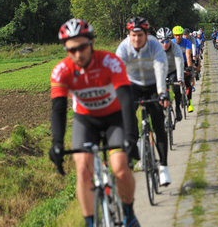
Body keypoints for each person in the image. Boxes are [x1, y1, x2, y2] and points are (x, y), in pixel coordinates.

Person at [49, 18, 140, 227]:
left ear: (91, 43)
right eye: (71, 50)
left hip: (113, 118)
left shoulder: (109, 62)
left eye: (82, 47)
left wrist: (130, 136)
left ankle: (129, 212)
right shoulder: (61, 70)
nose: (78, 54)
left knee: (120, 168)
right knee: (82, 170)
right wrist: (57, 143)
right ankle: (90, 222)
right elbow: (58, 109)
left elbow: (126, 99)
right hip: (85, 121)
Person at [116, 16, 172, 187]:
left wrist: (162, 92)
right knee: (127, 115)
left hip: (153, 84)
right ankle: (135, 149)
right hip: (132, 84)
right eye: (133, 35)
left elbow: (160, 68)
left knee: (158, 124)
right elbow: (117, 72)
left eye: (140, 35)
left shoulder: (155, 45)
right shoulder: (124, 47)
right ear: (129, 35)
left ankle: (163, 167)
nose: (136, 39)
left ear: (146, 34)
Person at [156, 27, 185, 121]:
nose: (165, 44)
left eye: (167, 41)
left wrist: (180, 78)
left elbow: (179, 62)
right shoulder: (154, 48)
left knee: (176, 88)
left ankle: (177, 108)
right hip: (161, 72)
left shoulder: (174, 47)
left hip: (173, 70)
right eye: (162, 41)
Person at [173, 25, 195, 112]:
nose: (178, 37)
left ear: (182, 35)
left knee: (188, 83)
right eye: (176, 35)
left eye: (180, 35)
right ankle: (178, 102)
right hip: (174, 64)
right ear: (173, 36)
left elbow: (188, 55)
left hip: (185, 62)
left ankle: (190, 103)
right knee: (176, 86)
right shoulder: (171, 43)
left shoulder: (187, 42)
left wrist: (189, 67)